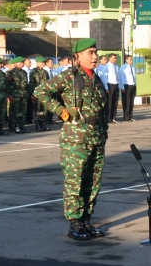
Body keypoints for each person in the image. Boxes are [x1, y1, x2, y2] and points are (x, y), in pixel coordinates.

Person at [34, 39, 110, 242]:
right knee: (75, 181)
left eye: (95, 52)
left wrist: (104, 133)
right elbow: (40, 91)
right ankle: (74, 222)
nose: (94, 57)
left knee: (93, 181)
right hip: (76, 139)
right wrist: (60, 110)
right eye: (90, 53)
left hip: (96, 136)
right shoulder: (69, 76)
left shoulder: (96, 78)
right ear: (77, 56)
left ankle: (86, 219)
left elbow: (102, 110)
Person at [96, 53, 122, 123]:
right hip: (110, 86)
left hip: (116, 85)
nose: (115, 59)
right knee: (110, 102)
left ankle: (114, 117)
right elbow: (105, 78)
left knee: (115, 102)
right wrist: (106, 88)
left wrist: (119, 85)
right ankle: (109, 118)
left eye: (116, 58)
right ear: (110, 59)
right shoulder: (106, 67)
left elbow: (118, 77)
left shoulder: (116, 67)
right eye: (114, 58)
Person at [119, 54, 137, 121]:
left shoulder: (133, 68)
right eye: (130, 59)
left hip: (133, 85)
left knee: (131, 102)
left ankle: (130, 116)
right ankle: (126, 116)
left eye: (132, 59)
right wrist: (122, 87)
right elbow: (121, 78)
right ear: (126, 60)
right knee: (127, 101)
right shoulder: (123, 68)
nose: (131, 60)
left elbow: (134, 77)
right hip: (126, 86)